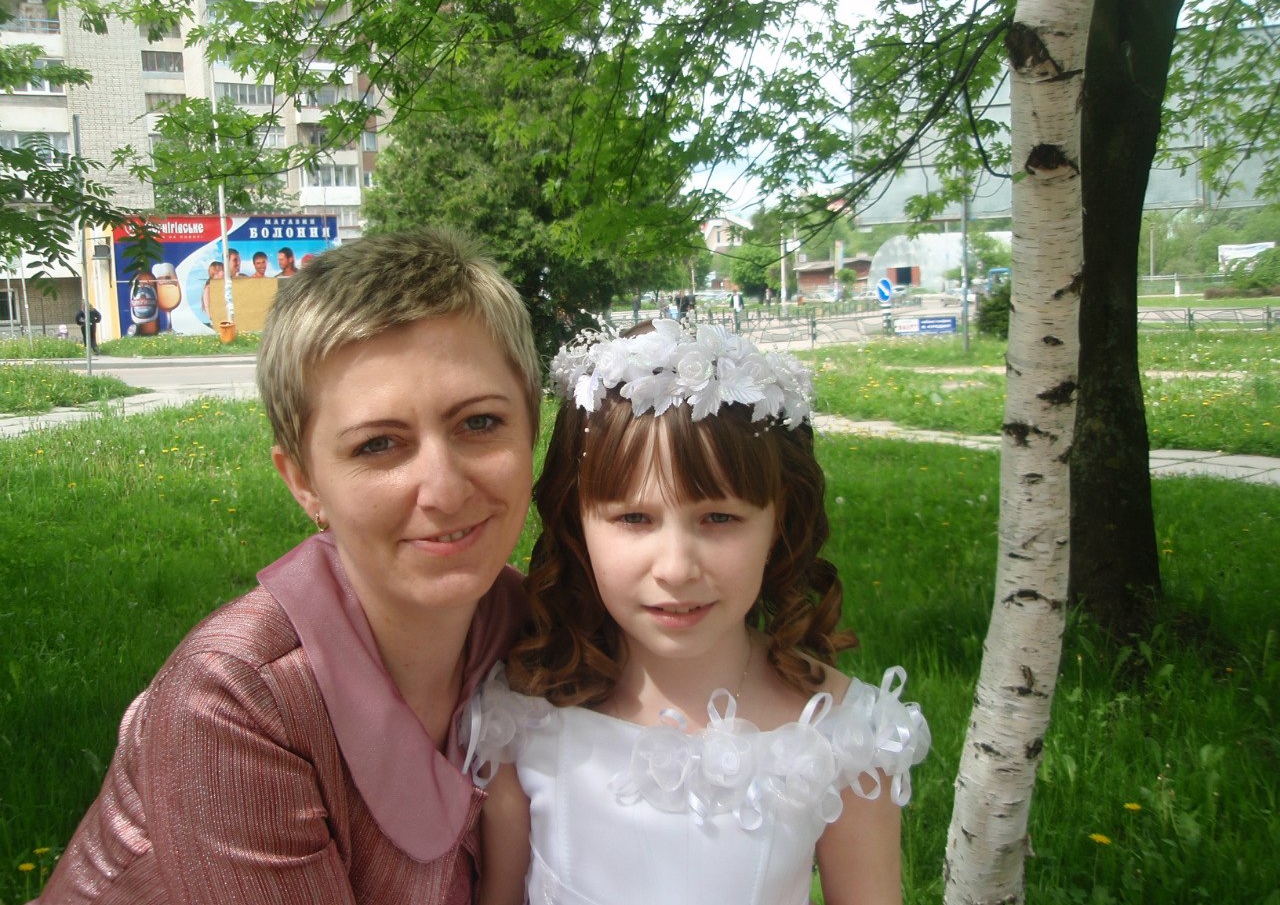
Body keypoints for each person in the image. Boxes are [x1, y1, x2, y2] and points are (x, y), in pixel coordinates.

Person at [34, 229, 542, 905]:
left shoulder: (533, 625)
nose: (444, 491)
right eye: (378, 444)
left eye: (479, 423)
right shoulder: (232, 702)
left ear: (531, 428)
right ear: (303, 482)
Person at [464, 319, 930, 905]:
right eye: (634, 518)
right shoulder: (525, 718)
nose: (677, 568)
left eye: (719, 518)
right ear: (577, 523)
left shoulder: (843, 738)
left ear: (779, 520)